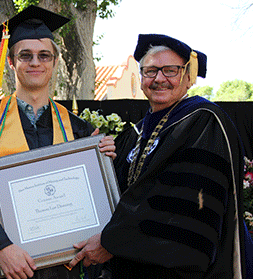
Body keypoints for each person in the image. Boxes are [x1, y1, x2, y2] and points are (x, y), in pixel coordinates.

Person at [0, 5, 116, 279]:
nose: (35, 63)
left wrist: (105, 160)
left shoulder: (80, 131)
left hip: (68, 267)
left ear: (55, 62)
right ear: (12, 61)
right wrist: (0, 248)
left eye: (44, 56)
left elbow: (101, 201)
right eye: (25, 56)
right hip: (9, 267)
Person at [69, 34, 247, 278]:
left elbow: (184, 204)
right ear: (141, 78)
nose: (159, 79)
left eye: (170, 71)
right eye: (150, 71)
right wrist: (103, 161)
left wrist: (113, 241)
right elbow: (121, 196)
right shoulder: (135, 134)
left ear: (187, 77)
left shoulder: (203, 121)